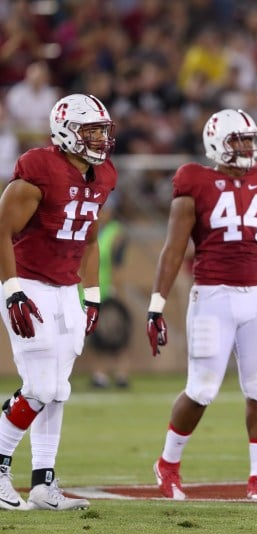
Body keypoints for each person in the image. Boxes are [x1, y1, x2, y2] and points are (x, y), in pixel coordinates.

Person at [146, 108, 257, 502]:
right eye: (237, 140)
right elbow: (173, 250)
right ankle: (168, 464)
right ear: (215, 144)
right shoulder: (194, 180)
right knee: (202, 389)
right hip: (213, 295)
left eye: (250, 139)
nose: (246, 148)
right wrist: (156, 304)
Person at [0, 93, 117, 510]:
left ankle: (42, 484)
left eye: (104, 130)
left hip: (67, 287)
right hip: (28, 283)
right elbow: (1, 231)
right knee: (39, 386)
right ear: (66, 131)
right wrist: (12, 289)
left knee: (59, 389)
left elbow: (89, 238)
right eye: (92, 131)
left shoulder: (102, 176)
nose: (101, 139)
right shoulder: (38, 169)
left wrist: (93, 294)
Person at [85, 193, 132, 389]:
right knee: (95, 336)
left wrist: (117, 292)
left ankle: (121, 374)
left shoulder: (116, 232)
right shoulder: (90, 230)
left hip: (107, 291)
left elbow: (117, 265)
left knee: (117, 333)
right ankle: (100, 375)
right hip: (89, 290)